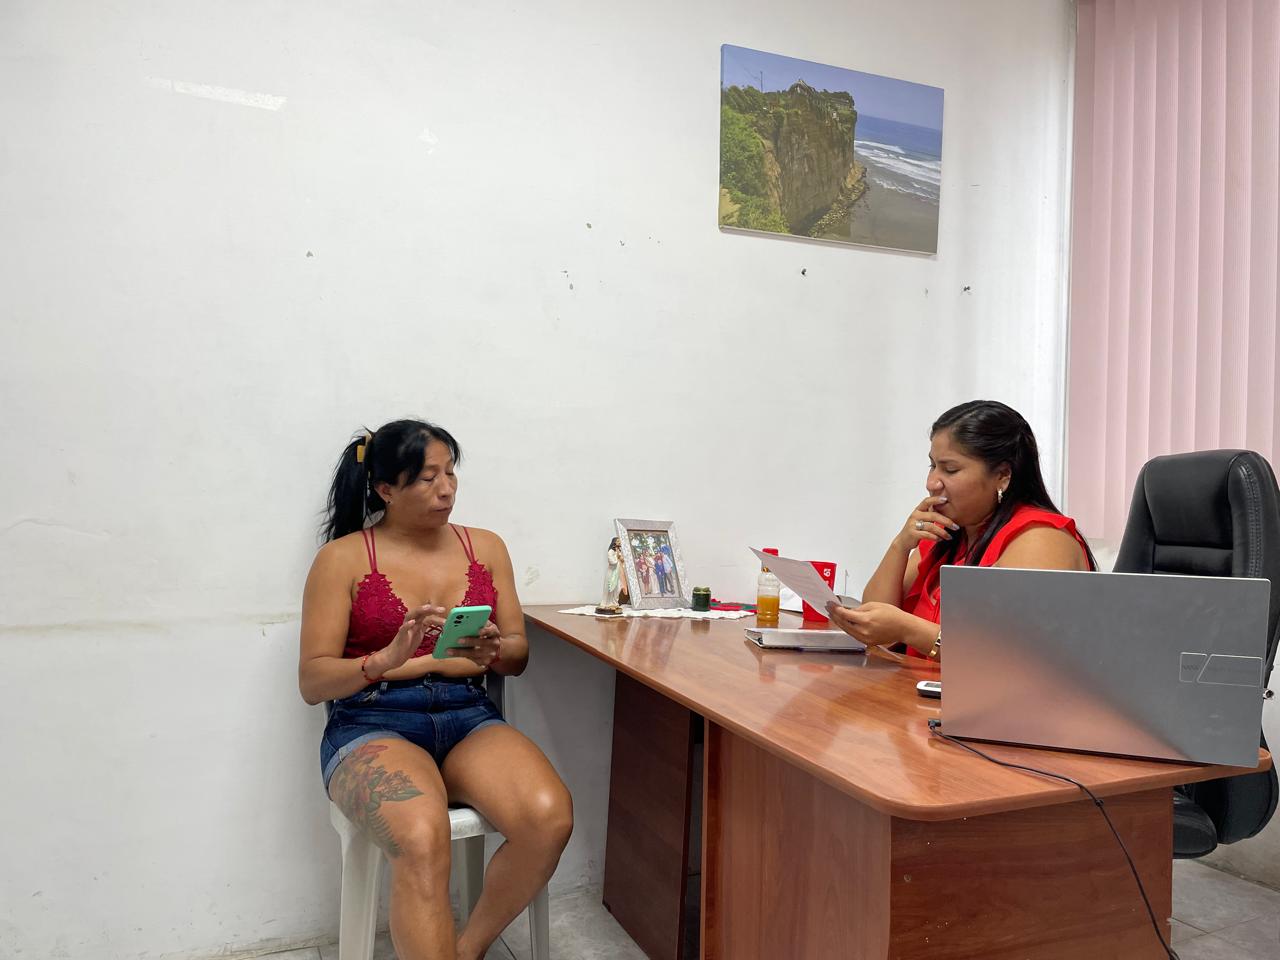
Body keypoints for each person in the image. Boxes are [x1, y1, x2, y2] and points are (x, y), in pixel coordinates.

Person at [298, 419, 572, 960]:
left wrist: (493, 651)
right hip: (371, 722)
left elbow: (517, 654)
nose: (446, 489)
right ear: (385, 489)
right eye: (427, 478)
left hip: (468, 714)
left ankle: (466, 950)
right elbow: (313, 681)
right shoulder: (343, 558)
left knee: (548, 818)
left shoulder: (485, 547)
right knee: (422, 838)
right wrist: (383, 661)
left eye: (450, 473)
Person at [828, 400, 1095, 661]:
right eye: (932, 466)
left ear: (1003, 475)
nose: (932, 483)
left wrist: (908, 629)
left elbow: (1014, 654)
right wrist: (900, 545)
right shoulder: (945, 533)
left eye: (950, 469)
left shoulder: (1039, 538)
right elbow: (876, 627)